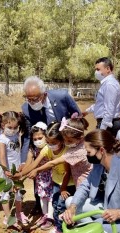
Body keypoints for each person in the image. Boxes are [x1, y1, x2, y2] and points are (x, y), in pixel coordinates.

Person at [21, 76, 81, 215]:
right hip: (44, 148)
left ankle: (72, 205)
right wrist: (24, 161)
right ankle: (40, 204)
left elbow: (77, 118)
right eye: (28, 98)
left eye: (35, 99)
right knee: (37, 175)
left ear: (44, 95)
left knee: (68, 174)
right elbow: (27, 136)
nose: (31, 102)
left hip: (66, 145)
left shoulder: (63, 97)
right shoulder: (26, 109)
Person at [27, 116, 93, 233]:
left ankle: (61, 230)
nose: (66, 142)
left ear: (79, 137)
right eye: (65, 139)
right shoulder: (76, 145)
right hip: (73, 183)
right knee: (63, 206)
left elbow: (54, 164)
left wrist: (36, 170)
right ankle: (66, 228)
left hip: (80, 184)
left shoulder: (77, 151)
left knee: (63, 207)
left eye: (68, 140)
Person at [10, 122, 76, 233]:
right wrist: (20, 175)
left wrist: (63, 188)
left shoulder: (66, 151)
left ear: (61, 140)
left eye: (53, 143)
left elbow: (67, 172)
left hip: (67, 183)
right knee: (56, 204)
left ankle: (61, 230)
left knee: (61, 206)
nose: (50, 145)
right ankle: (58, 225)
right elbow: (34, 164)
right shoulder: (46, 149)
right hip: (56, 180)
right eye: (49, 142)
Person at [0, 111, 30, 226]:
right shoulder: (1, 139)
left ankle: (19, 213)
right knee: (6, 193)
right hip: (6, 170)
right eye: (10, 127)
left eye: (15, 127)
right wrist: (6, 170)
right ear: (2, 125)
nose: (13, 130)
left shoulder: (15, 135)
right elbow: (2, 156)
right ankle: (8, 216)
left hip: (16, 169)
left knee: (18, 192)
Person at [23, 122, 54, 230]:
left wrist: (22, 174)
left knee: (50, 197)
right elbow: (28, 163)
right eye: (35, 139)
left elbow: (50, 163)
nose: (37, 141)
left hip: (50, 175)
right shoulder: (32, 149)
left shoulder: (50, 148)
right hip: (39, 177)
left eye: (40, 137)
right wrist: (21, 173)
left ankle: (50, 218)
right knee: (42, 196)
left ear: (46, 136)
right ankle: (44, 215)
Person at [83, 57, 120, 137]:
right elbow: (101, 104)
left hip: (108, 124)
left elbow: (109, 108)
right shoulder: (106, 84)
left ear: (108, 69)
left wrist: (102, 129)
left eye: (98, 69)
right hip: (106, 124)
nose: (96, 72)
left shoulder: (109, 84)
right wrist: (87, 111)